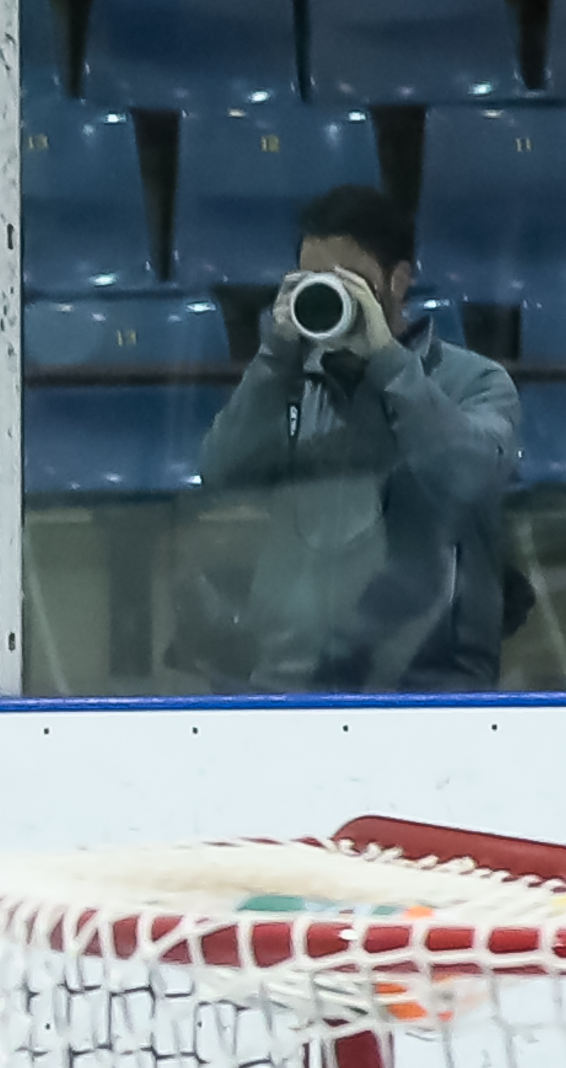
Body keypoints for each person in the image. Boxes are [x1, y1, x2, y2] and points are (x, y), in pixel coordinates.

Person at [194, 183, 521, 695]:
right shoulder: (288, 382)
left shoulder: (476, 382)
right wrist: (275, 357)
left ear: (399, 281)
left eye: (351, 284)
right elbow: (220, 473)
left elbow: (470, 479)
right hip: (291, 681)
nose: (332, 298)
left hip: (429, 686)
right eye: (313, 282)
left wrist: (388, 360)